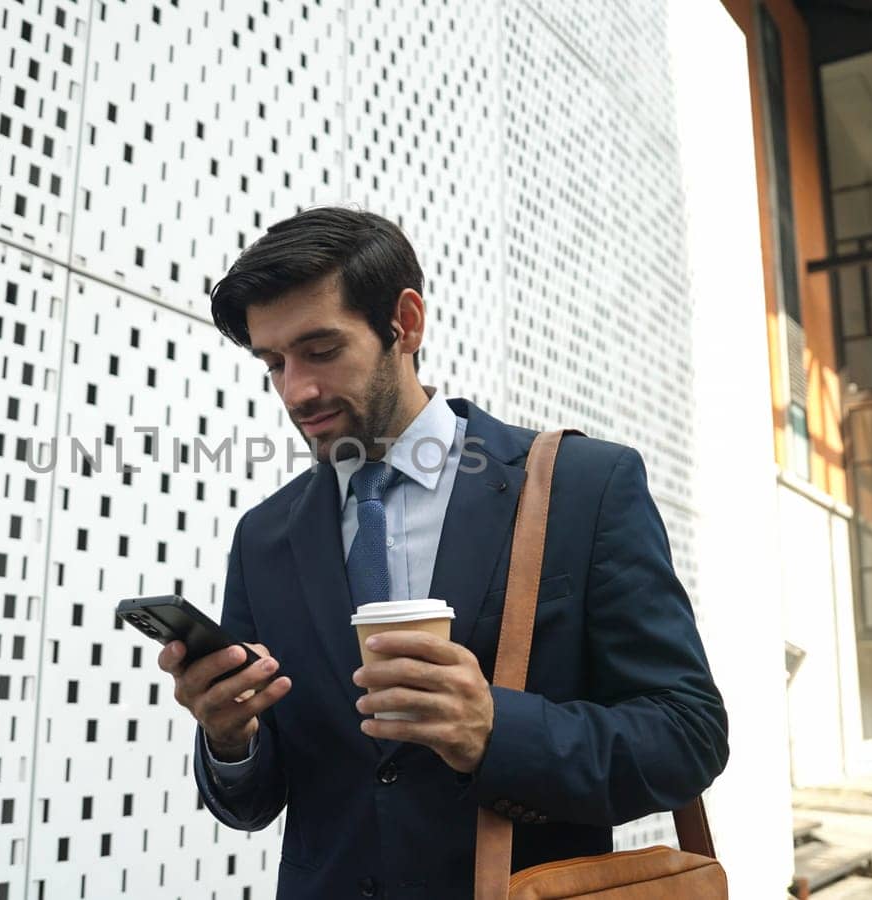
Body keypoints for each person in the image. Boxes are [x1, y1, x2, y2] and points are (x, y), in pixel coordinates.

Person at [157, 206, 728, 899]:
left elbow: (688, 734)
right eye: (273, 362)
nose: (296, 390)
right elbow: (254, 800)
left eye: (321, 349)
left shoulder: (584, 487)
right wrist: (228, 737)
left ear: (406, 321)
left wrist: (497, 730)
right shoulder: (263, 537)